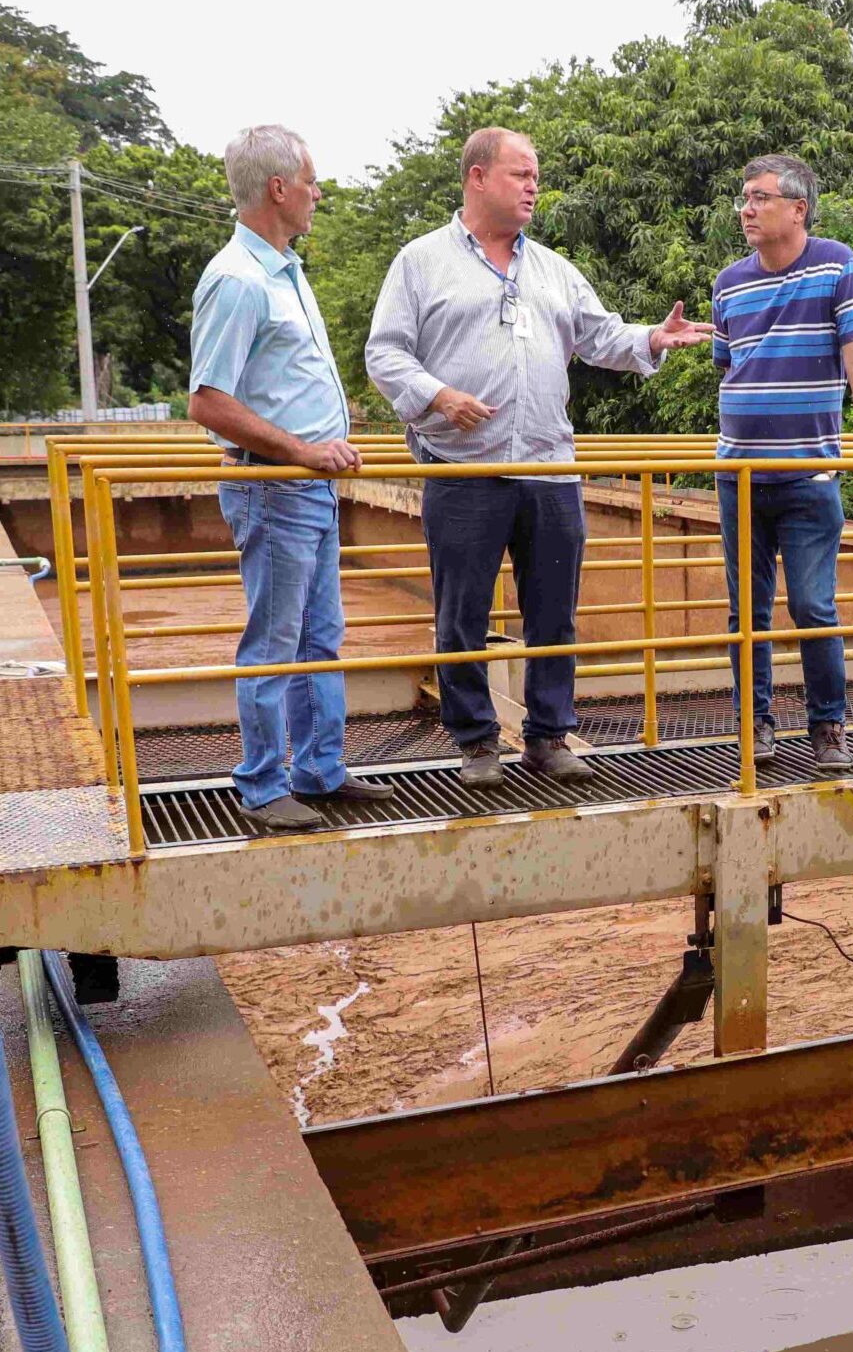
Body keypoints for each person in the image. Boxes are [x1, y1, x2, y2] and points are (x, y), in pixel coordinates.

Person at [366, 126, 712, 788]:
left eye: (535, 176)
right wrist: (436, 394)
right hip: (463, 468)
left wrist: (653, 338)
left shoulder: (552, 267)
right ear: (477, 177)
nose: (533, 186)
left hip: (550, 468)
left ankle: (548, 736)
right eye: (520, 174)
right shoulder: (421, 262)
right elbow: (385, 351)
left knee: (553, 610)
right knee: (461, 611)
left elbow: (600, 335)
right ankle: (475, 742)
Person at [188, 125, 392, 832]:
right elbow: (207, 400)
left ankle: (318, 769)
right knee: (275, 643)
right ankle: (262, 783)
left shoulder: (284, 268)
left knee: (318, 637)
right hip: (275, 487)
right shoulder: (239, 279)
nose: (317, 192)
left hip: (308, 488)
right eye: (310, 181)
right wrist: (302, 451)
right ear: (279, 188)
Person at [712, 155, 853, 774]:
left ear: (797, 209)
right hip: (738, 474)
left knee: (813, 606)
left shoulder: (834, 264)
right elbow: (730, 365)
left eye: (760, 198)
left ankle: (828, 726)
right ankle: (757, 725)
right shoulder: (728, 283)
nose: (746, 209)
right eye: (744, 199)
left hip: (808, 475)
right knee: (747, 611)